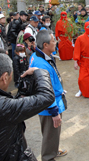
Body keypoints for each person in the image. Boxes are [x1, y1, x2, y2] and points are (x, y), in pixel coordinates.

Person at [0, 53, 55, 160]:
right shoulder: (0, 106)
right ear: (5, 77)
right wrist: (40, 71)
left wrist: (22, 95)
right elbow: (47, 97)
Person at [29, 30, 68, 161]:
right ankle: (48, 157)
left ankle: (53, 149)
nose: (55, 43)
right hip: (50, 105)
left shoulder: (39, 54)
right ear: (45, 45)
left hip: (52, 102)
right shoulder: (41, 64)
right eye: (53, 41)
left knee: (51, 133)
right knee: (50, 132)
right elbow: (45, 90)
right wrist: (54, 111)